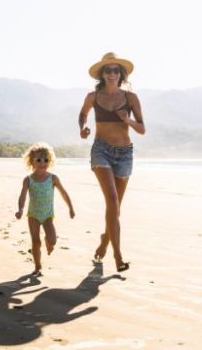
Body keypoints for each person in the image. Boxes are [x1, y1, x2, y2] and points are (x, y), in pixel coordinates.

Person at [78, 52, 145, 272]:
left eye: (116, 70)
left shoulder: (131, 98)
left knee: (116, 207)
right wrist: (83, 128)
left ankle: (105, 241)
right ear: (102, 74)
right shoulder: (93, 97)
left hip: (125, 154)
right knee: (113, 201)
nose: (112, 74)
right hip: (101, 151)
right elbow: (83, 114)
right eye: (108, 70)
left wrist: (129, 121)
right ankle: (118, 257)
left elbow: (142, 129)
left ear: (121, 74)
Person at [14, 143, 75, 276]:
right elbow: (22, 196)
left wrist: (70, 207)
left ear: (50, 161)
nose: (43, 163)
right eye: (39, 160)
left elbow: (64, 193)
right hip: (33, 215)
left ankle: (49, 244)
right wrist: (20, 209)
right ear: (32, 162)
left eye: (46, 160)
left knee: (52, 239)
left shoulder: (52, 178)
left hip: (47, 215)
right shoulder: (28, 180)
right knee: (36, 242)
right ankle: (38, 266)